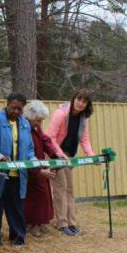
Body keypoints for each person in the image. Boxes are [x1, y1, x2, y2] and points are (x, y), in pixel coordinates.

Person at [0, 93, 35, 246]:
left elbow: (30, 148)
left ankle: (18, 237)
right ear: (7, 104)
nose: (17, 112)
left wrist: (33, 160)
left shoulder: (25, 124)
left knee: (16, 207)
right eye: (14, 108)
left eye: (20, 109)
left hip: (17, 175)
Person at [46, 89, 95, 236]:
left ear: (87, 105)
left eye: (84, 102)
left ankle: (71, 222)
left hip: (68, 155)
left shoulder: (83, 118)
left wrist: (91, 155)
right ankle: (61, 223)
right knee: (60, 187)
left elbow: (84, 140)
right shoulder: (61, 114)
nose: (80, 103)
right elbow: (50, 137)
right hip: (54, 153)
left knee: (70, 189)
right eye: (79, 99)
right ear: (73, 99)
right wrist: (59, 154)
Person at [23, 100, 65, 237]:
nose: (40, 124)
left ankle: (39, 223)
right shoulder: (23, 127)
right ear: (30, 116)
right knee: (33, 197)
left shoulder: (36, 127)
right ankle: (31, 225)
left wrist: (55, 154)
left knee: (43, 195)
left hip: (39, 163)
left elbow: (45, 140)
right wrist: (37, 169)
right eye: (38, 121)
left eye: (41, 121)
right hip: (29, 167)